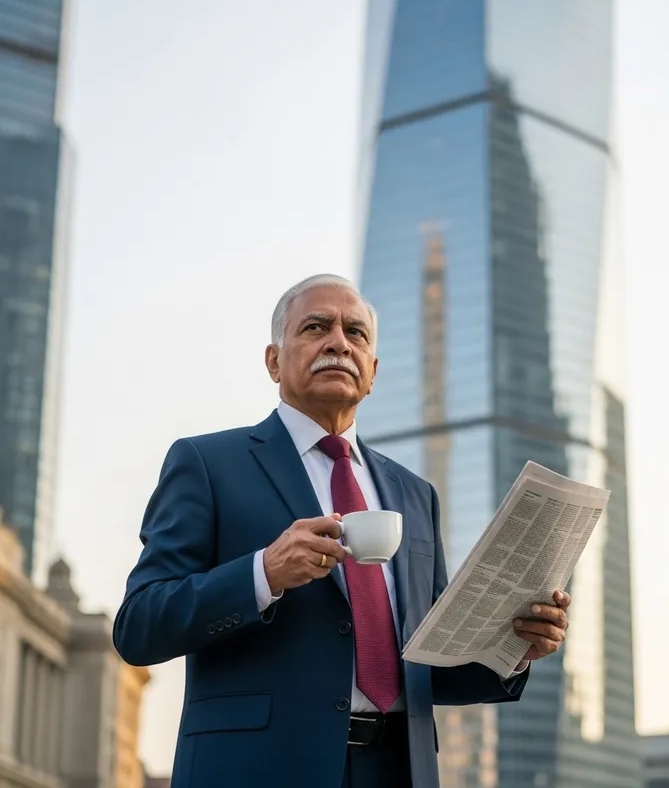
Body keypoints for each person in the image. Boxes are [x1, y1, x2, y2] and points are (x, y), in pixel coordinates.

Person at [113, 274, 570, 788]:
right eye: (315, 327)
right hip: (258, 767)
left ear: (372, 371)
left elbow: (423, 667)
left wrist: (510, 650)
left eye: (356, 333)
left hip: (399, 768)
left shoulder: (415, 494)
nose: (338, 342)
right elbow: (139, 626)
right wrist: (263, 574)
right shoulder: (207, 463)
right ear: (273, 361)